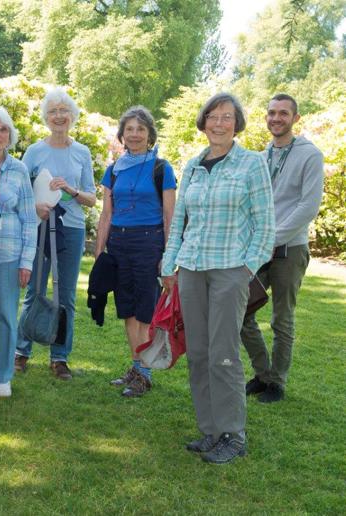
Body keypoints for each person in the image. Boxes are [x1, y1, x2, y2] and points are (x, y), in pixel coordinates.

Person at [161, 92, 274, 464]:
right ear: (203, 121)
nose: (219, 123)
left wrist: (247, 269)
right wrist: (169, 263)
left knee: (223, 354)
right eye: (213, 116)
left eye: (227, 116)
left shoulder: (251, 164)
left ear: (237, 123)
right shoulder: (193, 165)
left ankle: (233, 435)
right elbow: (179, 221)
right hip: (192, 269)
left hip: (229, 270)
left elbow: (265, 224)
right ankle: (210, 431)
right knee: (198, 353)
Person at [241, 94, 324, 403]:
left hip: (290, 248)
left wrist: (271, 237)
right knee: (241, 310)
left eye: (284, 113)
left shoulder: (309, 155)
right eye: (272, 112)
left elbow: (308, 206)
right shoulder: (261, 157)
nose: (276, 118)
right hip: (258, 249)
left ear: (295, 118)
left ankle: (277, 383)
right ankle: (263, 373)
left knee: (282, 318)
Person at [14, 88, 97, 380]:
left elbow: (91, 198)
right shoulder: (35, 151)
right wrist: (36, 206)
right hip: (39, 229)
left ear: (72, 116)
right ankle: (21, 352)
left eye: (64, 111)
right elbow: (20, 190)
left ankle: (59, 357)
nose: (59, 116)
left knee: (66, 297)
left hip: (71, 230)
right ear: (46, 117)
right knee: (33, 289)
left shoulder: (82, 152)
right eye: (53, 111)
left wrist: (71, 191)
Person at [95, 106, 176, 397]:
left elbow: (170, 216)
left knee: (145, 311)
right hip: (119, 243)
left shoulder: (161, 169)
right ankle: (135, 366)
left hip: (148, 243)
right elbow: (106, 214)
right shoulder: (113, 170)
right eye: (129, 129)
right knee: (127, 309)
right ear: (122, 134)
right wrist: (100, 252)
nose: (135, 134)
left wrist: (170, 254)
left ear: (150, 134)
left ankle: (145, 372)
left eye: (141, 129)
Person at [0, 107, 38, 398]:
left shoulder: (19, 170)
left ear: (10, 135)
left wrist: (26, 261)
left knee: (5, 317)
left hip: (9, 254)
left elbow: (29, 218)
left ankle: (3, 376)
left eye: (3, 130)